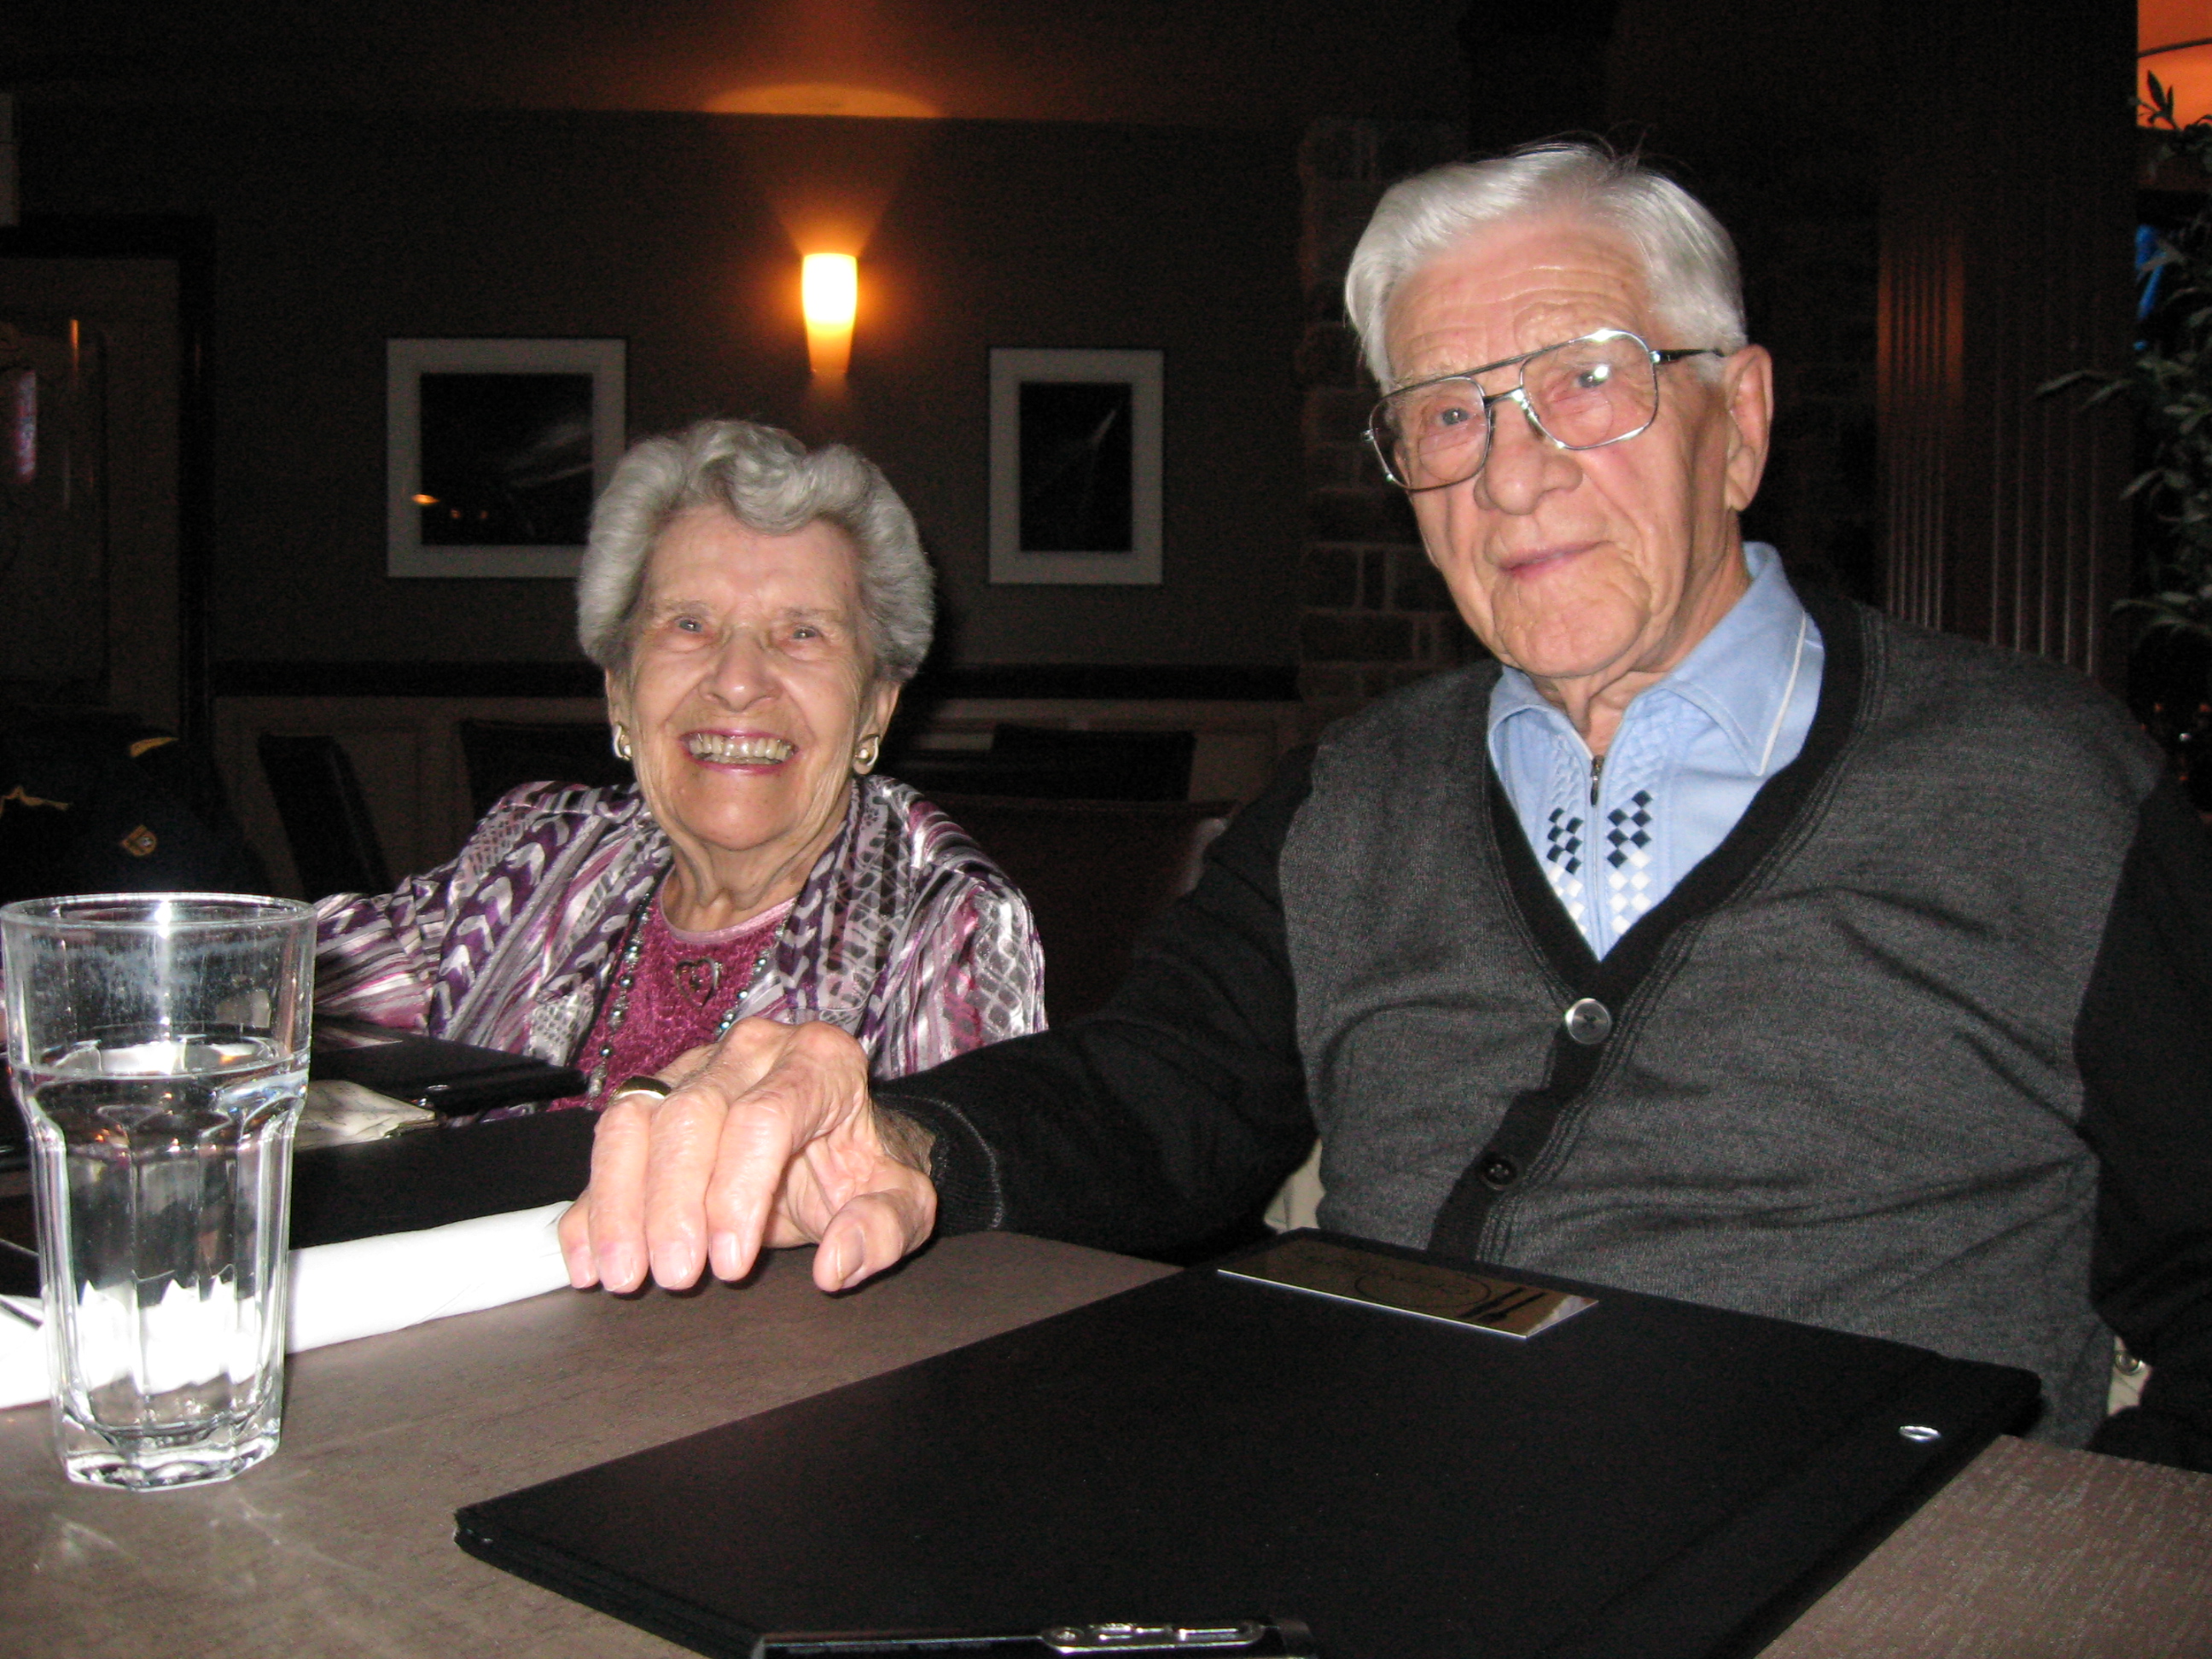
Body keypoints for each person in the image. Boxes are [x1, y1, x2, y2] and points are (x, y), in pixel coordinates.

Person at [558, 146, 2212, 1470]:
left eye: (1585, 380)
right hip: (1372, 1511)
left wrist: (2066, 1573)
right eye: (1445, 412)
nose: (1511, 470)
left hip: (1855, 1560)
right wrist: (906, 1137)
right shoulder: (1360, 788)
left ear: (1740, 420)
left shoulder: (2041, 785)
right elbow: (1158, 1090)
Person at [315, 419, 1045, 1102]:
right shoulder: (537, 849)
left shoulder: (947, 927)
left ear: (875, 707)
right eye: (690, 624)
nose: (737, 681)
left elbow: (962, 1178)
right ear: (620, 687)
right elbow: (290, 980)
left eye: (802, 633)